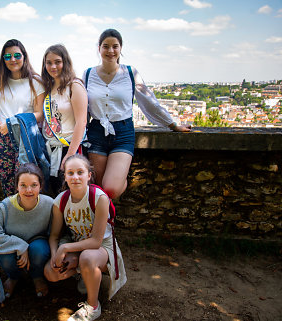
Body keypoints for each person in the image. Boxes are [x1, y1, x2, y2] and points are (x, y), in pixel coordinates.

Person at [84, 29, 191, 200]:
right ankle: (105, 225)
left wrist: (172, 124)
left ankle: (120, 179)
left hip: (123, 132)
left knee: (110, 189)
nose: (110, 51)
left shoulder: (130, 73)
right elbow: (83, 108)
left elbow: (149, 101)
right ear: (99, 48)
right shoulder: (88, 74)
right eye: (106, 46)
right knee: (96, 189)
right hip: (96, 132)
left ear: (121, 49)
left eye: (115, 46)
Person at [44, 154, 126, 321]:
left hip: (102, 247)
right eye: (70, 173)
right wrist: (55, 255)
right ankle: (84, 274)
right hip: (77, 244)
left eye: (80, 172)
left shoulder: (99, 197)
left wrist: (65, 248)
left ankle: (93, 306)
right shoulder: (60, 201)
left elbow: (96, 241)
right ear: (65, 177)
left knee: (88, 258)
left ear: (89, 175)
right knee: (50, 273)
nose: (75, 177)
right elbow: (54, 236)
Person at [0, 163, 53, 298]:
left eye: (34, 185)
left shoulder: (49, 204)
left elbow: (55, 233)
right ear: (16, 186)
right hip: (13, 247)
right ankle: (13, 277)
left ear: (41, 186)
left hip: (37, 244)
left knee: (39, 251)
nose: (28, 190)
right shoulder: (5, 206)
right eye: (23, 185)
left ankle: (37, 276)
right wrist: (20, 246)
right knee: (6, 258)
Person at [0, 39, 45, 197]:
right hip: (1, 137)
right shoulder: (0, 81)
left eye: (16, 55)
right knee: (7, 183)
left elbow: (39, 114)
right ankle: (13, 218)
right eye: (7, 56)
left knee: (24, 182)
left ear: (24, 56)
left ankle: (29, 219)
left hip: (24, 137)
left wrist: (13, 122)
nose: (12, 59)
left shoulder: (35, 82)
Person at [41, 44, 88, 194]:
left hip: (70, 148)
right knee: (56, 196)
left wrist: (70, 154)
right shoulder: (48, 87)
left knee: (71, 195)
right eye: (49, 62)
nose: (53, 66)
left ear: (65, 62)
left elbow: (82, 121)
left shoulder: (74, 86)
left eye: (57, 61)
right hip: (51, 150)